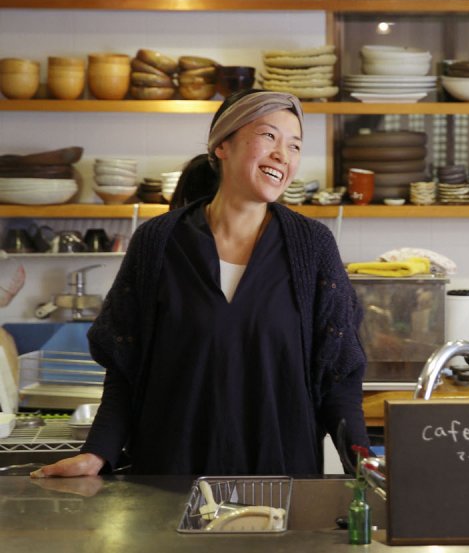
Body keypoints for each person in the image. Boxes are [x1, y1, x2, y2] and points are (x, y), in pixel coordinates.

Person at [32, 90, 370, 478]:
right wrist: (97, 453)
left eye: (294, 145)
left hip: (281, 480)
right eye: (268, 136)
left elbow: (340, 375)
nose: (283, 155)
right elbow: (127, 368)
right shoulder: (157, 243)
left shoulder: (312, 247)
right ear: (222, 146)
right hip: (168, 478)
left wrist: (362, 464)